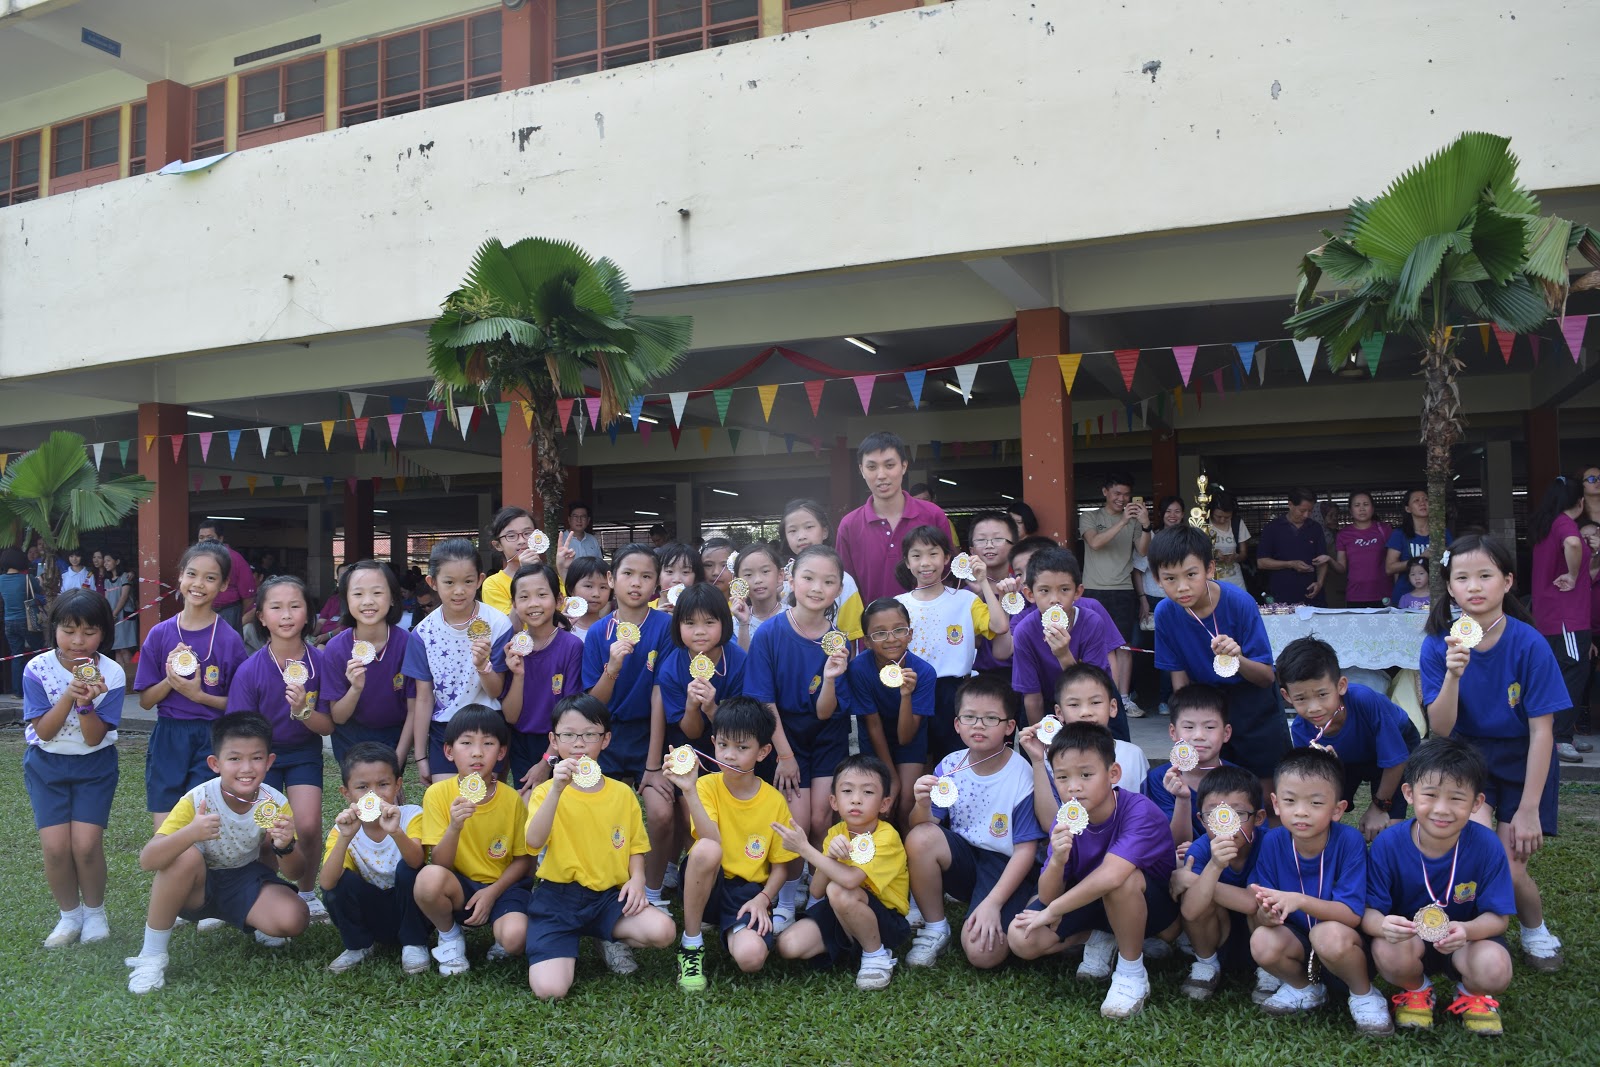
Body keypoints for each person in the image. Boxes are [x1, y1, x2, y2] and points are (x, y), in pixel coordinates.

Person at [1420, 533, 1565, 973]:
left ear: (1507, 581)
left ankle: (1534, 928)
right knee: (1477, 854)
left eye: (1485, 575)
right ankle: (1474, 933)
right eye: (1462, 577)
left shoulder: (1529, 643)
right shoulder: (1439, 645)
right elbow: (1440, 728)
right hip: (1468, 763)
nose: (1474, 586)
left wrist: (1529, 809)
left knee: (1511, 866)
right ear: (1450, 587)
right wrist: (1453, 675)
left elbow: (1543, 731)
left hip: (1524, 761)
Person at [125, 712, 311, 994]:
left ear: (269, 761)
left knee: (294, 918)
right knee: (185, 855)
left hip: (245, 880)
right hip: (196, 885)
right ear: (215, 763)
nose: (246, 768)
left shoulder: (274, 802)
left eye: (256, 758)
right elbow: (148, 860)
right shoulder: (197, 798)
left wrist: (285, 845)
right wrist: (191, 833)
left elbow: (296, 872)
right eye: (234, 758)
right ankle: (151, 955)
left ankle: (255, 918)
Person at [1007, 723, 1179, 1020]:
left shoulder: (1140, 811)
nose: (1073, 786)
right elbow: (1047, 896)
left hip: (1154, 912)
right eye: (1062, 777)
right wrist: (1058, 860)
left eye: (1086, 775)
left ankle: (1131, 973)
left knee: (1122, 880)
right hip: (1091, 901)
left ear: (1113, 774)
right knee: (1021, 938)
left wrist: (1053, 911)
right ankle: (1099, 935)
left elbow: (1112, 875)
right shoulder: (1066, 818)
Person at [524, 695, 676, 999]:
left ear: (605, 739)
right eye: (569, 734)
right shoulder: (545, 792)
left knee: (664, 931)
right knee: (550, 990)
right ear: (554, 740)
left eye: (590, 734)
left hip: (608, 897)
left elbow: (635, 846)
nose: (579, 743)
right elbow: (533, 841)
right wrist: (556, 789)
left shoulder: (621, 793)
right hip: (558, 899)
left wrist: (637, 879)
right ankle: (567, 939)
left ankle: (606, 935)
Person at [1363, 738, 1515, 1037]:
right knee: (1386, 949)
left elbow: (1499, 918)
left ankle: (1471, 993)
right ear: (1409, 793)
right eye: (1430, 795)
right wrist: (1383, 925)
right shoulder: (1388, 844)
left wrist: (1467, 930)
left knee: (1495, 968)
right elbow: (1368, 911)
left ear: (1477, 803)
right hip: (1408, 941)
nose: (1442, 809)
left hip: (1466, 941)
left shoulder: (1487, 845)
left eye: (1457, 798)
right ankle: (1417, 989)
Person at [904, 677, 1043, 970]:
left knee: (983, 954)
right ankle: (935, 927)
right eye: (969, 717)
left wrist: (993, 903)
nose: (978, 725)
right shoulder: (950, 765)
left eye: (991, 718)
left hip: (1006, 865)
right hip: (965, 857)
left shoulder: (1022, 776)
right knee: (921, 837)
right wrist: (921, 804)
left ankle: (1021, 899)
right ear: (957, 724)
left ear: (1010, 727)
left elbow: (1026, 851)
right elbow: (922, 825)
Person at [1248, 748, 1389, 1031]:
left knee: (1327, 934)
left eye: (1315, 803)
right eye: (1290, 800)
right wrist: (1267, 915)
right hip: (1298, 940)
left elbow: (1351, 915)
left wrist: (1299, 900)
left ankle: (1363, 993)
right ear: (1276, 803)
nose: (1301, 811)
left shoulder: (1349, 841)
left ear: (1337, 809)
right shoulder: (1273, 842)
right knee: (1262, 940)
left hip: (1344, 943)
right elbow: (1261, 911)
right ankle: (1305, 988)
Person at [663, 696, 797, 990]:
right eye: (723, 745)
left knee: (751, 959)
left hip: (746, 893)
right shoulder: (705, 785)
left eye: (742, 748)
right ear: (713, 743)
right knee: (707, 849)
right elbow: (711, 841)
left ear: (763, 752)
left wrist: (763, 899)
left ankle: (732, 928)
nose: (730, 755)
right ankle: (691, 944)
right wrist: (689, 790)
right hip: (707, 880)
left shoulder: (774, 801)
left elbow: (780, 867)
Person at [224, 575, 333, 921]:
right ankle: (265, 895)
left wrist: (302, 711)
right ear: (261, 616)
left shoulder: (320, 663)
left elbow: (328, 726)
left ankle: (307, 892)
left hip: (303, 752)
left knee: (308, 824)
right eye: (276, 607)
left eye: (295, 606)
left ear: (308, 613)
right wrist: (255, 763)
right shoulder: (250, 670)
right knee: (266, 828)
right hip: (261, 759)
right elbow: (240, 731)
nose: (286, 615)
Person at [747, 544, 851, 902]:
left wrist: (831, 678)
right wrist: (785, 755)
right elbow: (764, 701)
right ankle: (788, 898)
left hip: (827, 735)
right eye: (808, 578)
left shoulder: (838, 641)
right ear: (791, 579)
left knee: (822, 819)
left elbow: (825, 712)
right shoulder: (769, 633)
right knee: (797, 823)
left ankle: (819, 894)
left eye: (828, 581)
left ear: (839, 589)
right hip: (783, 733)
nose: (817, 588)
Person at [1151, 525, 1287, 797]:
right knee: (1215, 795)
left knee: (1266, 796)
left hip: (1253, 705)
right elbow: (1180, 682)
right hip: (1206, 709)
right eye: (1170, 578)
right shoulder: (1165, 613)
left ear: (1210, 569)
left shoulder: (1239, 603)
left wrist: (1237, 659)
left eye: (1191, 574)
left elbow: (1266, 677)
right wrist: (1187, 729)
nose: (1182, 587)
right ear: (1157, 579)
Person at [23, 589, 124, 949]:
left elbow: (94, 738)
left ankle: (95, 913)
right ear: (54, 629)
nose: (78, 641)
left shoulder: (112, 673)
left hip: (94, 766)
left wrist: (86, 704)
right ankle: (69, 916)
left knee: (86, 845)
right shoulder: (36, 669)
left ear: (104, 633)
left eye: (89, 632)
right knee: (55, 848)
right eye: (68, 630)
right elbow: (44, 732)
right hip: (46, 766)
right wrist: (69, 693)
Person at [134, 542, 249, 830]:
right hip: (168, 735)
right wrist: (170, 680)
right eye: (192, 574)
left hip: (211, 736)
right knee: (166, 827)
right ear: (180, 576)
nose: (198, 584)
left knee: (201, 824)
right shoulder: (159, 634)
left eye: (210, 578)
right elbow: (146, 701)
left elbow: (239, 706)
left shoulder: (229, 639)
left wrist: (198, 696)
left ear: (223, 585)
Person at [645, 582, 747, 904]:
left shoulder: (738, 661)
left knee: (730, 815)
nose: (699, 631)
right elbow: (689, 732)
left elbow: (741, 729)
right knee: (693, 817)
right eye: (689, 623)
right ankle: (697, 888)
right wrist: (693, 707)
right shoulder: (673, 666)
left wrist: (713, 708)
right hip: (687, 748)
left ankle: (733, 880)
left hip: (732, 747)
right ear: (678, 626)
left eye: (709, 622)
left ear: (724, 623)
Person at [774, 754, 911, 991]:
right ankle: (856, 947)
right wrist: (829, 856)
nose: (856, 799)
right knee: (789, 945)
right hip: (841, 911)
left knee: (839, 889)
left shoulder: (886, 836)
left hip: (885, 920)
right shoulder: (837, 831)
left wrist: (805, 849)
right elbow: (816, 890)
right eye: (847, 791)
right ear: (834, 801)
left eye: (868, 792)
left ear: (884, 804)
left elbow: (850, 880)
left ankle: (876, 954)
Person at [414, 705, 533, 976]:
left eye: (488, 743)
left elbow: (523, 860)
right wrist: (455, 826)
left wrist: (492, 893)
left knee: (515, 938)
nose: (477, 752)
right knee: (428, 879)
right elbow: (440, 864)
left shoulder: (511, 799)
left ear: (501, 753)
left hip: (503, 886)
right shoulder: (438, 794)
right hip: (459, 884)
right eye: (466, 743)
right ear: (449, 751)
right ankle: (450, 936)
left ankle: (501, 935)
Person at [1279, 637, 1420, 840]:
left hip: (1397, 746)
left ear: (1341, 686)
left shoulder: (1364, 701)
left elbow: (1396, 760)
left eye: (1322, 694)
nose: (1314, 708)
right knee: (1320, 815)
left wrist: (1379, 806)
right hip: (1350, 756)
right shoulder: (1302, 730)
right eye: (1301, 698)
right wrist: (1331, 766)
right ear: (1287, 696)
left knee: (1388, 830)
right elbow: (1313, 785)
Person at [894, 524, 1008, 764]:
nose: (925, 563)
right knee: (918, 761)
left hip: (955, 692)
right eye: (916, 556)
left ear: (947, 558)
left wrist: (983, 582)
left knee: (955, 761)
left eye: (933, 554)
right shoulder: (898, 605)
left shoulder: (965, 600)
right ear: (907, 562)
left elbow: (999, 626)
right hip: (913, 690)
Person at [402, 539, 512, 786]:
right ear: (433, 582)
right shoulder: (422, 633)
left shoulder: (498, 624)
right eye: (449, 582)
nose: (459, 590)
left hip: (487, 726)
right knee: (448, 801)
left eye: (468, 581)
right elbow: (423, 698)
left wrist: (483, 667)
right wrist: (420, 756)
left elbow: (496, 691)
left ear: (480, 580)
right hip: (444, 728)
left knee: (483, 802)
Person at [318, 742, 429, 974]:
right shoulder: (342, 829)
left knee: (409, 870)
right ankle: (359, 944)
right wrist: (345, 838)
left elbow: (416, 862)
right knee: (340, 881)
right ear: (346, 793)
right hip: (372, 913)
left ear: (397, 785)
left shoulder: (411, 815)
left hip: (410, 910)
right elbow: (327, 884)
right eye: (362, 787)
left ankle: (414, 942)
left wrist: (396, 832)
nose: (374, 795)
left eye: (383, 784)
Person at [1169, 766, 1269, 1003]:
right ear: (1202, 820)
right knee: (1200, 899)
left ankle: (1269, 971)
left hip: (1264, 932)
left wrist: (1195, 880)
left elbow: (1252, 902)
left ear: (1259, 818)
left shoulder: (1269, 844)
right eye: (1215, 815)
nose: (1227, 823)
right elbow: (1191, 911)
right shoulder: (1201, 849)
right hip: (1217, 932)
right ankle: (1206, 963)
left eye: (1238, 814)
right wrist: (1214, 866)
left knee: (1264, 906)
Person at [580, 543, 673, 787]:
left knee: (660, 806)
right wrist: (611, 670)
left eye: (646, 576)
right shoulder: (597, 632)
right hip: (607, 733)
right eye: (628, 573)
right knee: (599, 803)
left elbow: (660, 694)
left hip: (651, 731)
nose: (636, 583)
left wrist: (653, 764)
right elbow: (594, 703)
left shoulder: (666, 627)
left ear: (656, 584)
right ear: (611, 578)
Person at [1006, 547, 1124, 737]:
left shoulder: (1092, 622)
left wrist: (1063, 655)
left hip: (1096, 701)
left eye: (1065, 590)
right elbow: (1032, 697)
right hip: (1048, 701)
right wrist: (1042, 741)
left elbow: (1093, 687)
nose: (1055, 599)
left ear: (1078, 592)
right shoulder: (1024, 632)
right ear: (1029, 594)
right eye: (1044, 591)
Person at [834, 431, 956, 606]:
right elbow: (844, 585)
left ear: (904, 466)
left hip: (931, 619)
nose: (881, 475)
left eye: (889, 465)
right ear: (861, 470)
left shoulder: (933, 514)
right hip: (872, 622)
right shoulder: (849, 525)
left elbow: (949, 573)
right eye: (872, 467)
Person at [844, 598, 935, 825]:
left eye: (899, 630)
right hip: (873, 739)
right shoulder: (858, 669)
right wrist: (892, 777)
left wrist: (906, 695)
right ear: (867, 641)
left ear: (910, 634)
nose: (891, 639)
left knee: (906, 801)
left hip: (911, 740)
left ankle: (908, 845)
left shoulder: (924, 672)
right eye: (880, 633)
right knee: (880, 799)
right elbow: (873, 725)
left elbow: (905, 738)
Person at [500, 562, 584, 790]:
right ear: (514, 604)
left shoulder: (571, 646)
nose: (533, 603)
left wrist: (547, 761)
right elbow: (511, 717)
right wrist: (518, 675)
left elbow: (570, 713)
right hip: (521, 743)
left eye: (542, 595)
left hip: (561, 742)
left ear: (558, 600)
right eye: (524, 597)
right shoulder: (513, 648)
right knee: (528, 802)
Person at [323, 560, 416, 766]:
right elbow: (338, 717)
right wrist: (355, 688)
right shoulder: (335, 648)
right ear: (346, 600)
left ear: (393, 598)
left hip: (394, 733)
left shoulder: (407, 644)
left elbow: (414, 710)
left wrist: (398, 760)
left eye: (377, 593)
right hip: (350, 736)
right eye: (358, 594)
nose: (368, 601)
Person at [1528, 475, 1592, 762]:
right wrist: (1573, 575)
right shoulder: (1565, 524)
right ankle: (1560, 738)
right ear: (1580, 501)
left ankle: (1560, 734)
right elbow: (1573, 544)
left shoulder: (1547, 524)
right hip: (1566, 617)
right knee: (1573, 673)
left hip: (1552, 615)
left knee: (1559, 674)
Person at [1079, 472, 1149, 714]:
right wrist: (1123, 522)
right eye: (1117, 493)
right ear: (1105, 492)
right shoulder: (1090, 517)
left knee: (1124, 646)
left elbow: (1143, 550)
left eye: (1127, 494)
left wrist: (1145, 524)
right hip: (1092, 589)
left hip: (1123, 589)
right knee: (1091, 643)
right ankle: (1095, 696)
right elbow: (1095, 543)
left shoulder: (1134, 521)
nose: (1122, 499)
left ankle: (1123, 699)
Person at [1024, 663, 1150, 792]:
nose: (1085, 712)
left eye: (1095, 702)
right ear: (1059, 713)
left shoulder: (1133, 755)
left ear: (1112, 707)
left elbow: (1144, 802)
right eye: (1074, 704)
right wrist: (1038, 763)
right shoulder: (1049, 758)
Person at [1144, 684, 1238, 846]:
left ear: (1226, 733)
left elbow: (1251, 837)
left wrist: (1201, 851)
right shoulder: (1161, 779)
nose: (1199, 736)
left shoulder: (1241, 779)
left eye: (1210, 727)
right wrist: (1182, 799)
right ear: (1173, 732)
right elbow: (1173, 844)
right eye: (1188, 727)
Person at [781, 498, 866, 640]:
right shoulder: (781, 579)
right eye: (792, 530)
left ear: (825, 531)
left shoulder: (845, 581)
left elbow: (851, 636)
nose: (801, 536)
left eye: (809, 527)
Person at [1134, 496, 1187, 715]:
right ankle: (1137, 692)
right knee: (1139, 648)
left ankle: (1167, 699)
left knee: (1172, 650)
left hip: (1178, 600)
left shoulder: (1186, 539)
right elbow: (1138, 571)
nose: (1172, 516)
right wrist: (1142, 599)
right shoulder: (1151, 538)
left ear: (1183, 514)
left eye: (1177, 511)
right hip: (1152, 600)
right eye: (1168, 511)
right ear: (1161, 514)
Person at [967, 511, 1021, 678]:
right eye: (981, 540)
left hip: (1022, 674)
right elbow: (972, 643)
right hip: (981, 677)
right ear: (972, 550)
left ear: (1014, 547)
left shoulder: (1026, 590)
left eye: (998, 539)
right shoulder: (965, 595)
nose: (989, 545)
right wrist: (979, 595)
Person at [1255, 489, 1330, 606]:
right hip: (1281, 594)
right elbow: (1261, 562)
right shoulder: (1272, 528)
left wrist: (1319, 583)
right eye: (1302, 510)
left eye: (1310, 511)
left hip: (1312, 594)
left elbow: (1322, 560)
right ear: (1290, 504)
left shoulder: (1315, 528)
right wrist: (1290, 564)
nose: (1306, 515)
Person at [1385, 488, 1450, 604]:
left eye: (1426, 500)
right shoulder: (1399, 534)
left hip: (1436, 593)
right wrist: (1421, 558)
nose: (1422, 503)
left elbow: (1454, 560)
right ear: (1408, 509)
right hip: (1405, 595)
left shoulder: (1442, 532)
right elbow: (1390, 568)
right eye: (1416, 500)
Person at [1331, 491, 1392, 607]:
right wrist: (1328, 560)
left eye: (1366, 504)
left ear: (1372, 508)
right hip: (1355, 594)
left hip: (1383, 593)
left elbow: (1393, 562)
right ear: (1350, 510)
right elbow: (1341, 568)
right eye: (1357, 505)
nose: (1362, 509)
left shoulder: (1385, 530)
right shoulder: (1343, 534)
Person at [197, 522, 257, 633]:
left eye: (209, 537)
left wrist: (237, 615)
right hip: (201, 609)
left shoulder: (235, 558)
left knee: (226, 641)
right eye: (201, 538)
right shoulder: (194, 558)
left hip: (228, 611)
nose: (205, 541)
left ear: (220, 538)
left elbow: (248, 595)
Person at [482, 507, 540, 616]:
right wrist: (524, 573)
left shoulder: (551, 576)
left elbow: (566, 614)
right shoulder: (493, 584)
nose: (522, 541)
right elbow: (509, 624)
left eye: (527, 533)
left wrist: (563, 571)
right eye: (511, 536)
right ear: (498, 545)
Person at [0, 547, 42, 696]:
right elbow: (40, 591)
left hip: (8, 622)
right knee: (39, 651)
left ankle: (17, 691)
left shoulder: (1, 580)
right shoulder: (27, 578)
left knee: (16, 655)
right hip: (27, 620)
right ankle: (38, 688)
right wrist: (40, 581)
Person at [732, 542, 785, 649]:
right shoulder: (735, 622)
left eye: (765, 571)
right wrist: (744, 624)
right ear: (737, 582)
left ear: (780, 576)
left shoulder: (792, 616)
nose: (758, 580)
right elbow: (743, 658)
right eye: (748, 574)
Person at [1207, 491, 1252, 593]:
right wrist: (1212, 554)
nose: (1222, 520)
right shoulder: (1204, 523)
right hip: (1210, 578)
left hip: (1234, 578)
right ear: (1211, 511)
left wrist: (1236, 557)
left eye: (1227, 517)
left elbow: (1243, 553)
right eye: (1218, 516)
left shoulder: (1237, 523)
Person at [104, 552, 138, 673]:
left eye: (108, 560)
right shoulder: (107, 581)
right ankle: (122, 677)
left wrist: (114, 613)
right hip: (113, 618)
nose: (105, 564)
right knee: (117, 650)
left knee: (125, 649)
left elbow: (124, 597)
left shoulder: (125, 577)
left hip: (123, 617)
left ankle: (131, 676)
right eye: (104, 561)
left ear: (117, 561)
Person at [562, 556, 611, 637]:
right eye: (588, 586)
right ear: (571, 589)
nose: (596, 594)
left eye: (603, 587)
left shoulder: (612, 629)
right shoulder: (558, 628)